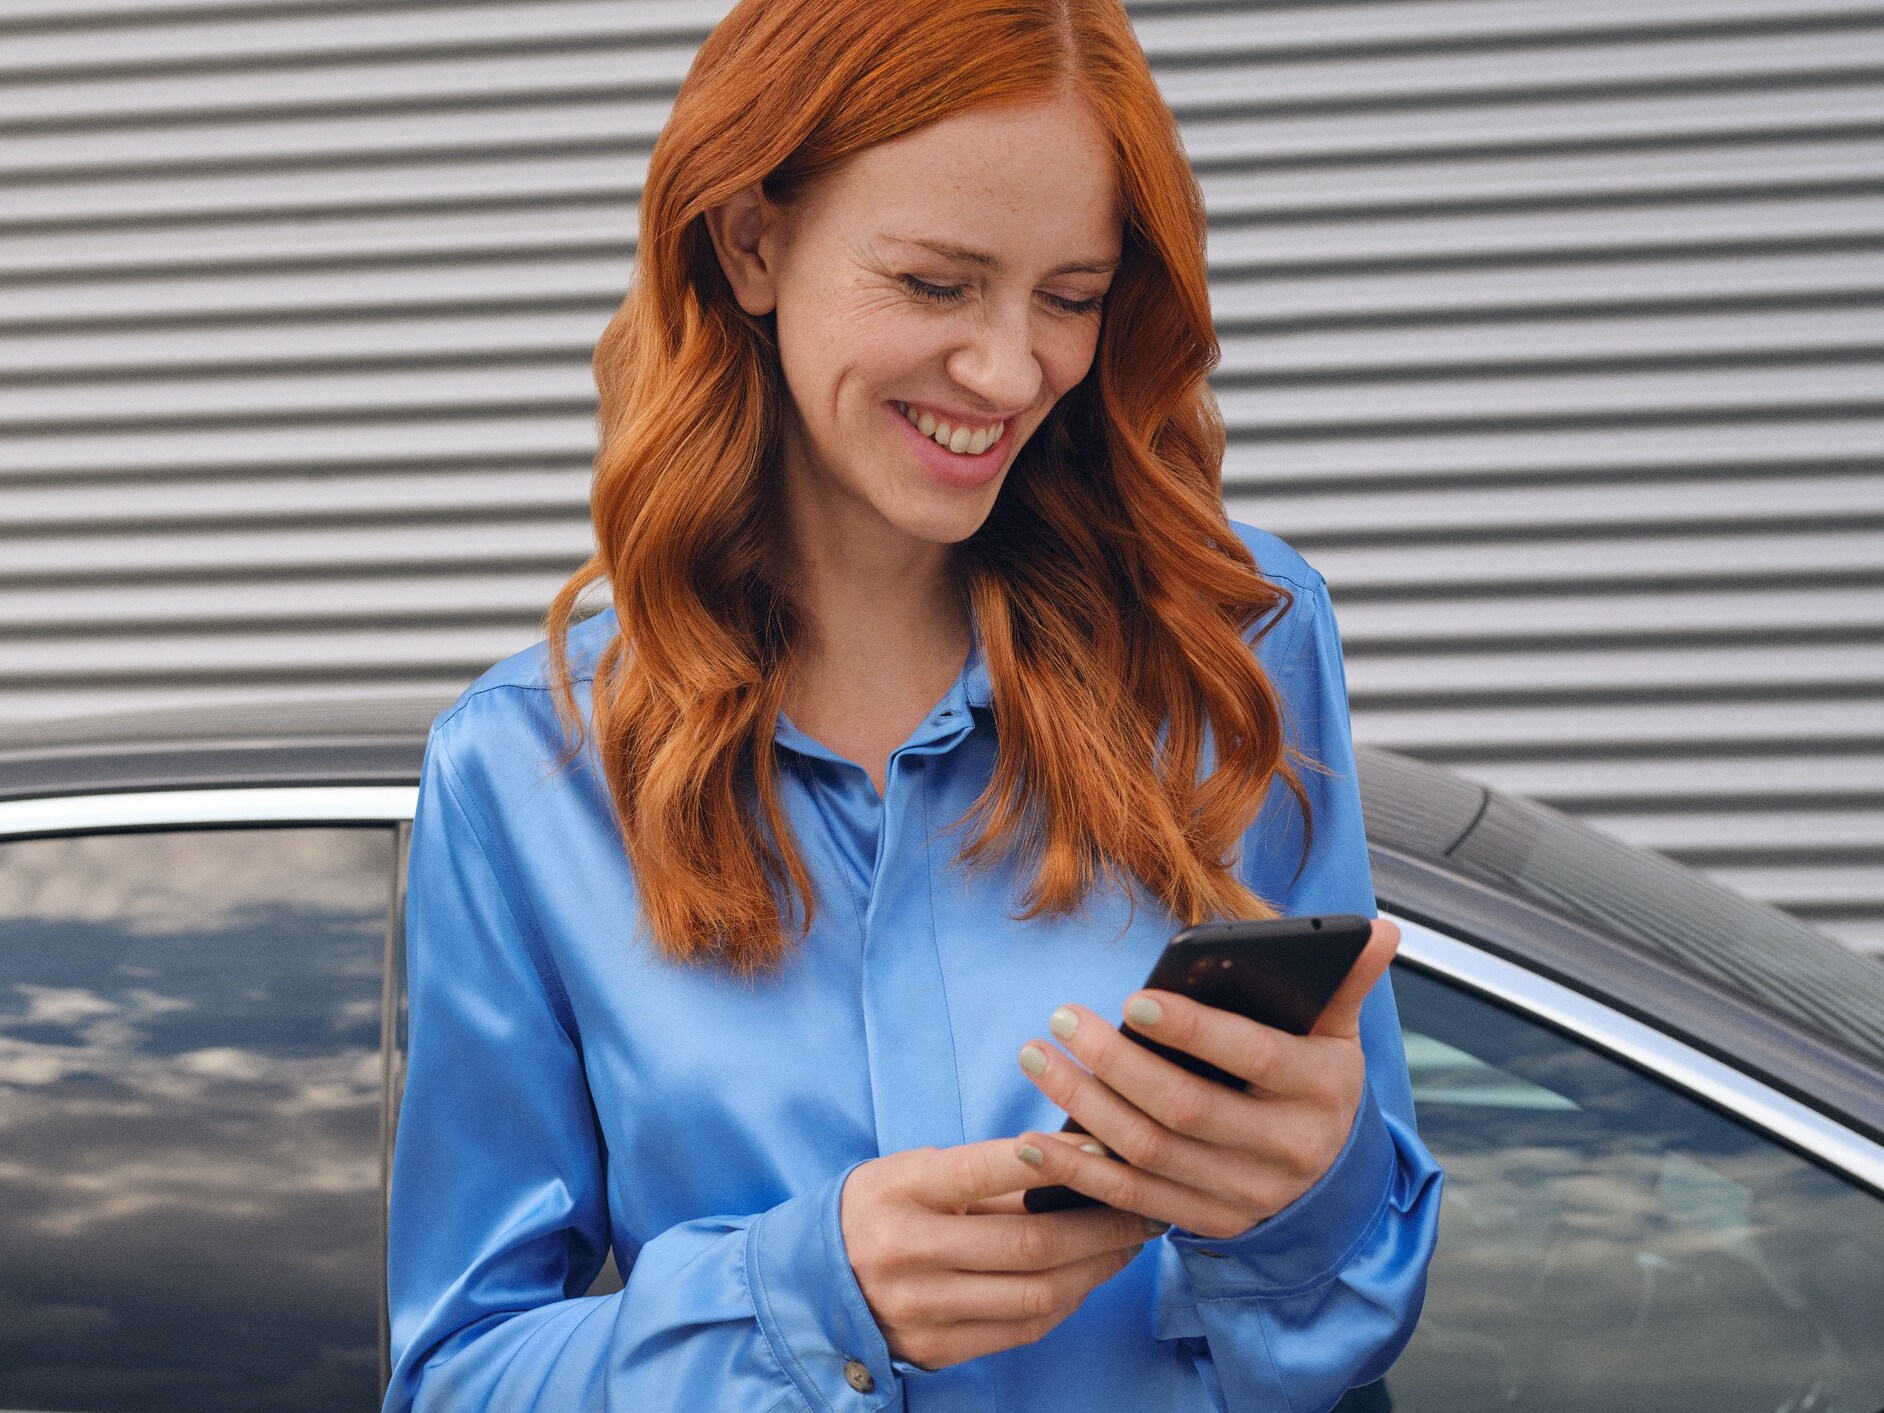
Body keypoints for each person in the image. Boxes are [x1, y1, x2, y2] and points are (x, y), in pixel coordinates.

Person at [381, 0, 1443, 1408]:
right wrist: (804, 1298)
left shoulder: (1233, 647)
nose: (1011, 373)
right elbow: (456, 1374)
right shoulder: (526, 774)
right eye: (939, 285)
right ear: (753, 242)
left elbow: (1348, 1319)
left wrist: (1308, 1199)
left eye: (1071, 296)